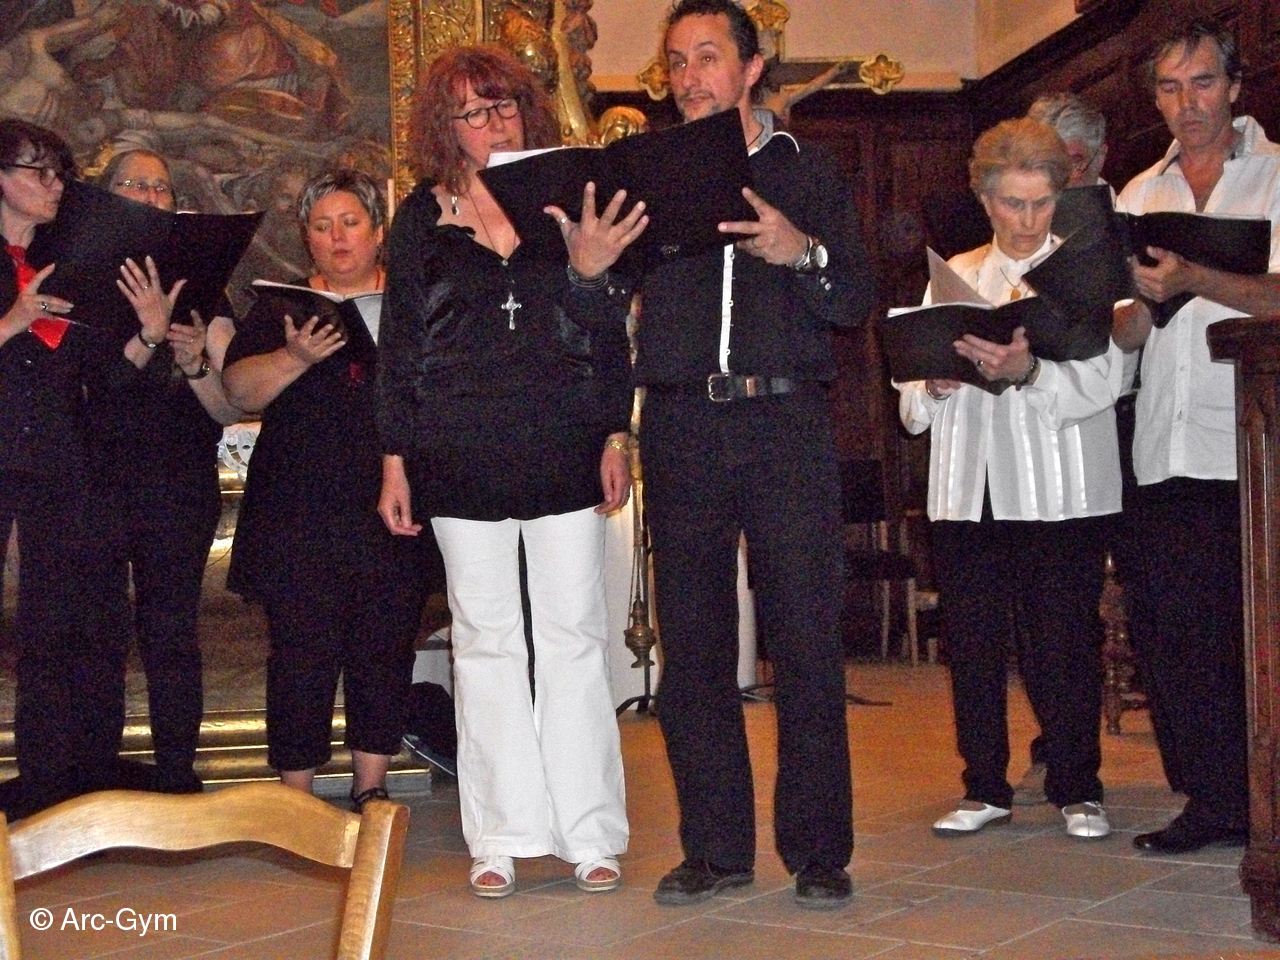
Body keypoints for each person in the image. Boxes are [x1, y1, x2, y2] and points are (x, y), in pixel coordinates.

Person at [377, 44, 644, 899]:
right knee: (485, 642)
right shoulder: (421, 218)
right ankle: (499, 834)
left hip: (563, 439)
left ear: (527, 110)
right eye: (472, 112)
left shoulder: (566, 204)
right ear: (444, 127)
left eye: (503, 106)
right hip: (456, 449)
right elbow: (400, 347)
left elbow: (606, 327)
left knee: (574, 638)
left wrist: (615, 431)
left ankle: (588, 831)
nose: (492, 124)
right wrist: (395, 457)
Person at [637, 0, 874, 910]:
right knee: (693, 646)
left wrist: (799, 250)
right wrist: (590, 266)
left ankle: (818, 850)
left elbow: (854, 298)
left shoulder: (807, 169)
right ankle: (714, 850)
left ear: (750, 68)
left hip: (784, 424)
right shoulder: (650, 176)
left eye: (708, 57)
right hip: (681, 424)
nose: (689, 77)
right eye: (676, 61)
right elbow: (608, 304)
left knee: (805, 639)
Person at [897, 117, 1133, 844]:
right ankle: (984, 785)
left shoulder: (1082, 271)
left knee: (1063, 642)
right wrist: (934, 382)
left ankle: (1077, 786)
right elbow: (909, 406)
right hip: (969, 487)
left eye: (1040, 203)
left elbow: (1109, 381)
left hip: (1062, 490)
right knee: (972, 642)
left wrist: (1028, 371)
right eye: (1011, 203)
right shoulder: (955, 275)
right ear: (985, 198)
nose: (1027, 220)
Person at [1111, 19, 1280, 855]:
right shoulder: (1139, 193)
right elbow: (1120, 334)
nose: (1189, 104)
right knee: (1177, 635)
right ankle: (1213, 801)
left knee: (1257, 635)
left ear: (1236, 87)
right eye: (1171, 88)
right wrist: (1140, 305)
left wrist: (1198, 278)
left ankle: (1268, 802)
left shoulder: (1276, 177)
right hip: (1164, 443)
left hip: (1256, 440)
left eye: (1204, 83)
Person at [222, 168, 430, 812]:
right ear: (306, 238)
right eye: (322, 226)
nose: (337, 238)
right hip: (298, 505)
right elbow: (237, 391)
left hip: (391, 494)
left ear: (377, 231)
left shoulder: (413, 302)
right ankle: (297, 802)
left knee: (384, 644)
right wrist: (296, 358)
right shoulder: (281, 309)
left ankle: (372, 786)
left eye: (350, 223)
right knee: (300, 651)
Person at [0, 119, 168, 819]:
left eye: (60, 173)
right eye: (37, 170)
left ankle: (76, 776)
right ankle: (42, 782)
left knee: (77, 623)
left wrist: (150, 334)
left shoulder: (69, 261)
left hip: (64, 462)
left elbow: (105, 375)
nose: (53, 185)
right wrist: (12, 321)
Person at [95, 147, 242, 794]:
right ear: (106, 198)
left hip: (177, 478)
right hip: (94, 478)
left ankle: (177, 773)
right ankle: (90, 771)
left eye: (162, 187)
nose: (152, 196)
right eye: (135, 184)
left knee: (172, 632)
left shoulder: (204, 283)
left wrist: (194, 363)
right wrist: (148, 335)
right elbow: (86, 395)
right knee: (94, 633)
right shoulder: (84, 274)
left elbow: (228, 405)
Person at [1009, 92, 1112, 808]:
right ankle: (1059, 737)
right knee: (1041, 608)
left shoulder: (1116, 223)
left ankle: (1080, 755)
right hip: (1038, 434)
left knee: (1084, 609)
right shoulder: (1020, 229)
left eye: (1069, 164)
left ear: (1097, 162)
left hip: (1121, 421)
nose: (1058, 179)